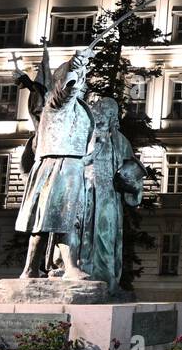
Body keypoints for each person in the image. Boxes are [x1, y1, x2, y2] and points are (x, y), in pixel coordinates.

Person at [14, 50, 94, 279]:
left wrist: (80, 68)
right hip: (58, 165)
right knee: (59, 218)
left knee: (50, 219)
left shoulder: (77, 107)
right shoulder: (57, 102)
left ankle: (31, 270)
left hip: (68, 166)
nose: (83, 82)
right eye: (81, 79)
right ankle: (68, 268)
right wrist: (76, 66)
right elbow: (66, 91)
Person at [82, 96, 145, 294]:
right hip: (85, 192)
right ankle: (82, 271)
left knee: (106, 237)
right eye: (100, 112)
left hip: (110, 196)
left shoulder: (121, 141)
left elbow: (133, 172)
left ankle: (106, 278)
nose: (103, 117)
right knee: (82, 234)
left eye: (108, 114)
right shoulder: (85, 136)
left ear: (113, 118)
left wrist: (132, 183)